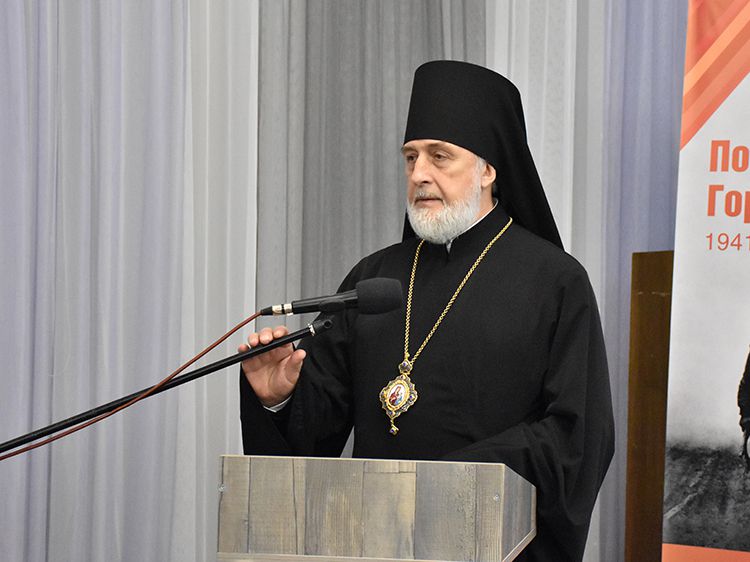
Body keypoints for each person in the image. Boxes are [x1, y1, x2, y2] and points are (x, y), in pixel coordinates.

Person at [239, 60, 614, 562]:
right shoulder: (373, 281)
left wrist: (452, 482)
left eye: (440, 157)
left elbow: (578, 437)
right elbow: (315, 437)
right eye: (411, 157)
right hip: (377, 545)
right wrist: (278, 401)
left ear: (488, 169)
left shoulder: (556, 282)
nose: (419, 174)